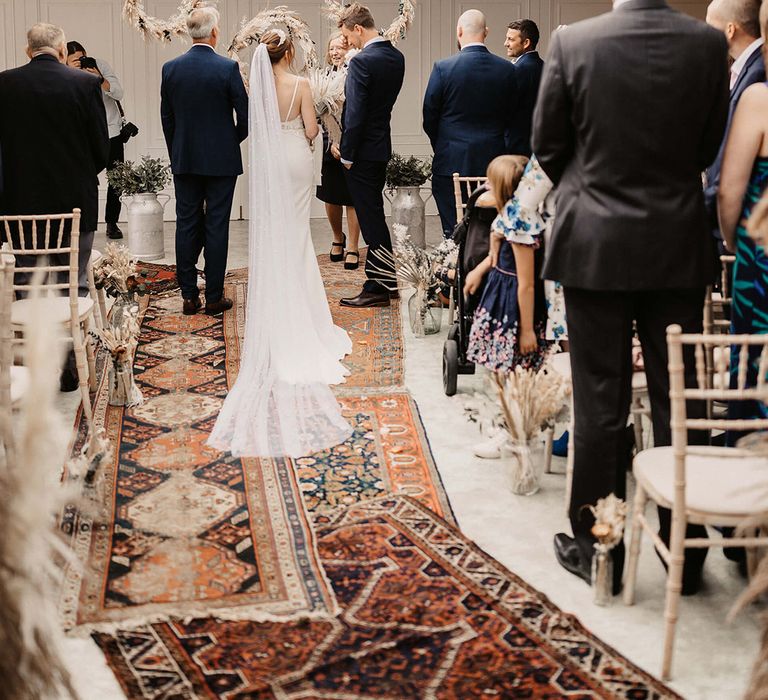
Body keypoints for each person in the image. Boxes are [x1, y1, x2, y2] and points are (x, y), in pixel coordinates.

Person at [533, 6, 729, 596]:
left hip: (594, 247)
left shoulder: (573, 42)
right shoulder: (707, 45)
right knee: (677, 401)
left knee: (600, 403)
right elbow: (704, 147)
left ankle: (601, 553)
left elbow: (548, 146)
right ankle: (686, 555)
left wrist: (595, 187)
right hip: (673, 244)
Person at [207, 31, 352, 458]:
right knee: (298, 233)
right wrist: (310, 134)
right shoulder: (303, 85)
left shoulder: (259, 86)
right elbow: (311, 129)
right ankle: (306, 312)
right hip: (296, 159)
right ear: (289, 52)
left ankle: (279, 297)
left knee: (278, 231)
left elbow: (254, 128)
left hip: (271, 164)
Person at [0, 23, 109, 392]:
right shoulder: (85, 85)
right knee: (72, 281)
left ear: (28, 51)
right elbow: (100, 150)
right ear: (62, 50)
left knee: (28, 282)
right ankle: (66, 365)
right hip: (75, 201)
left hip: (18, 205)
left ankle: (32, 363)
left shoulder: (4, 84)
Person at [160, 6, 248, 316]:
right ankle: (213, 297)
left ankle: (187, 296)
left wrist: (178, 150)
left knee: (186, 223)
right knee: (217, 224)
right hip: (222, 160)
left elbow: (167, 118)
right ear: (213, 32)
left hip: (185, 158)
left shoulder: (170, 69)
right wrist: (228, 141)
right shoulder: (227, 68)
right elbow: (246, 116)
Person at [465, 155, 555, 459]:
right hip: (499, 295)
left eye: (490, 181)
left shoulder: (521, 221)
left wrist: (527, 329)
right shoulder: (508, 213)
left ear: (503, 187)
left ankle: (510, 430)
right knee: (498, 369)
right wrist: (478, 272)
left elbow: (527, 283)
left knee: (513, 371)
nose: (484, 185)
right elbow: (494, 255)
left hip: (515, 307)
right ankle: (504, 419)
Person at [423, 10, 520, 239]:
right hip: (494, 163)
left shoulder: (443, 68)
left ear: (459, 31)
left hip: (451, 160)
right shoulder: (507, 70)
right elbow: (513, 117)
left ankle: (456, 266)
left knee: (453, 229)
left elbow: (430, 116)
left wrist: (443, 145)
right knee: (492, 228)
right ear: (486, 32)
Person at [717, 0, 768, 436]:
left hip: (761, 251)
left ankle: (752, 444)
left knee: (755, 354)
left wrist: (735, 242)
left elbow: (731, 189)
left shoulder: (759, 97)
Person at [334, 3, 405, 308]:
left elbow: (356, 113)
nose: (348, 42)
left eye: (348, 36)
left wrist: (347, 153)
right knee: (374, 213)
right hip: (380, 147)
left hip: (361, 152)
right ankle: (388, 280)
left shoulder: (363, 62)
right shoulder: (396, 57)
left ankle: (377, 286)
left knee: (370, 217)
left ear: (358, 29)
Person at [705, 0, 765, 247]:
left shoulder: (758, 73)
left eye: (710, 28)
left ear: (730, 29)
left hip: (750, 224)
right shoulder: (745, 69)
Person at [66, 40, 128, 240]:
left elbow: (118, 93)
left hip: (111, 132)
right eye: (75, 60)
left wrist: (99, 79)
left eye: (83, 57)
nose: (81, 62)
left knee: (116, 180)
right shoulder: (63, 75)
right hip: (83, 137)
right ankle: (81, 223)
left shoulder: (99, 66)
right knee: (82, 180)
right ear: (65, 60)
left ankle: (112, 222)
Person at [316, 32, 361, 270]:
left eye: (339, 48)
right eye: (331, 48)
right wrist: (331, 140)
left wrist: (344, 142)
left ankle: (353, 246)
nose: (335, 53)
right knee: (331, 196)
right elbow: (318, 115)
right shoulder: (322, 77)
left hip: (352, 146)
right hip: (327, 146)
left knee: (352, 198)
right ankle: (337, 238)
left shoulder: (357, 75)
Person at [505, 20, 544, 157]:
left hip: (516, 146)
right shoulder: (545, 67)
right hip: (539, 145)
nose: (506, 43)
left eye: (510, 39)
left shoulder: (516, 71)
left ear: (526, 43)